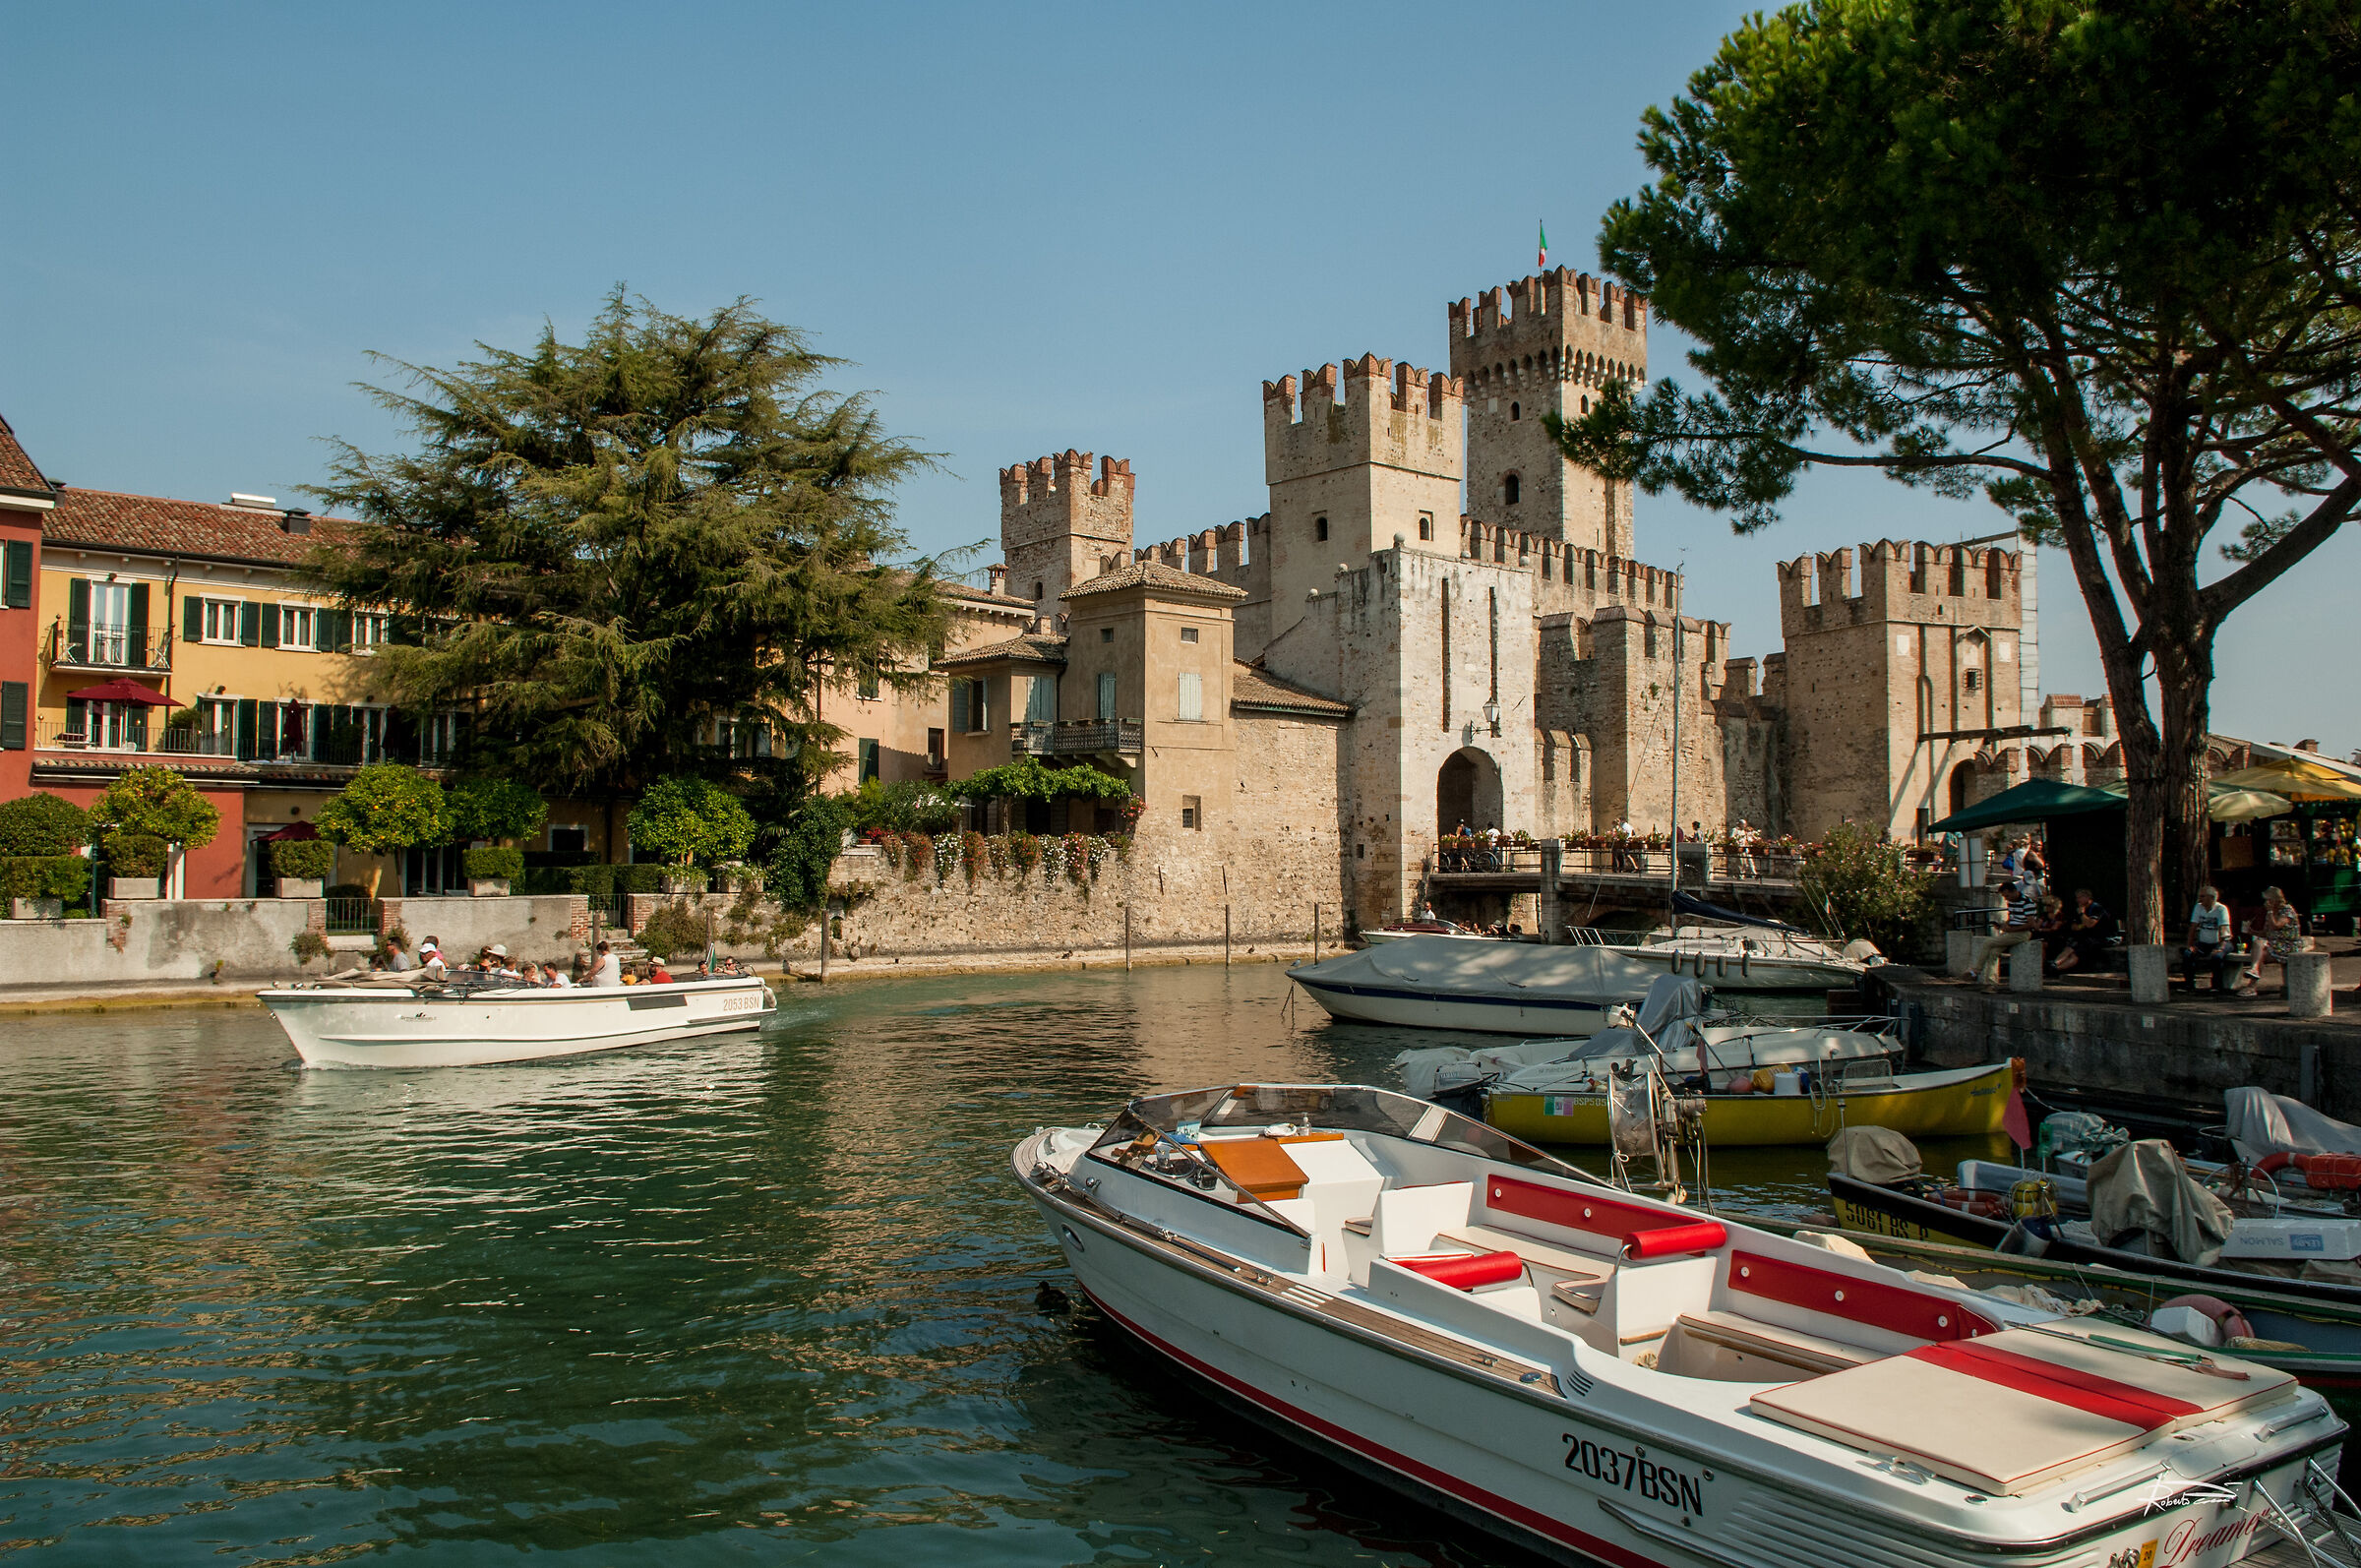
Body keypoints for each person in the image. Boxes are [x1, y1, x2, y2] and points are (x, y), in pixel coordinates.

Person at [1966, 876, 2038, 986]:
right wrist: (2003, 925)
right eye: (2004, 896)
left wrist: (2011, 929)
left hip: (2022, 934)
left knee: (1988, 942)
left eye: (2007, 896)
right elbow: (2013, 919)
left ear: (2015, 891)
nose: (2006, 899)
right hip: (2012, 932)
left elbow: (2030, 924)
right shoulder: (2012, 902)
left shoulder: (2027, 903)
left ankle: (1976, 971)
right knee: (1993, 953)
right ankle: (1991, 983)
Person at [2235, 886, 2302, 997]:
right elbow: (2266, 933)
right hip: (2275, 946)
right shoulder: (2269, 913)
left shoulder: (2287, 910)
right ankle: (2253, 977)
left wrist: (2270, 911)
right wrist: (2251, 931)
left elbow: (2276, 926)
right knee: (2258, 947)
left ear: (2275, 899)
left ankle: (2252, 982)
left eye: (2268, 899)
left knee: (2259, 951)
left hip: (2288, 946)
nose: (2266, 902)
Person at [2051, 887, 2117, 974]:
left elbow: (2090, 924)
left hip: (2099, 938)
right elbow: (2074, 926)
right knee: (2070, 947)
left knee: (2076, 953)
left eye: (2080, 897)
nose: (2077, 900)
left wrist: (2082, 914)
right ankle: (2055, 963)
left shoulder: (2096, 908)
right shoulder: (2080, 909)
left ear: (2087, 897)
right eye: (2077, 898)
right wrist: (2082, 923)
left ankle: (2057, 969)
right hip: (2084, 936)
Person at [2183, 885, 2236, 991]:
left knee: (2217, 957)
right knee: (2188, 954)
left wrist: (2220, 947)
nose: (2200, 899)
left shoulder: (2221, 909)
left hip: (2222, 942)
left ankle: (2216, 985)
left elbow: (2223, 929)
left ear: (2211, 898)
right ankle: (2189, 984)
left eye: (2203, 896)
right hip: (2204, 942)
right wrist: (2190, 945)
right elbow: (2193, 927)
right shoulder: (2198, 907)